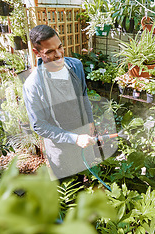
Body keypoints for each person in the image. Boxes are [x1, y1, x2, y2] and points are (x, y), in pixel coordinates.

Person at [23, 25, 98, 180]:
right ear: (37, 53)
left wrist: (90, 121)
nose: (58, 55)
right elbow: (39, 125)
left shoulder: (75, 66)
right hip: (60, 147)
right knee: (67, 188)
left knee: (86, 178)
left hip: (83, 135)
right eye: (49, 51)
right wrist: (74, 139)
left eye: (60, 47)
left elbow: (83, 96)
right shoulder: (33, 85)